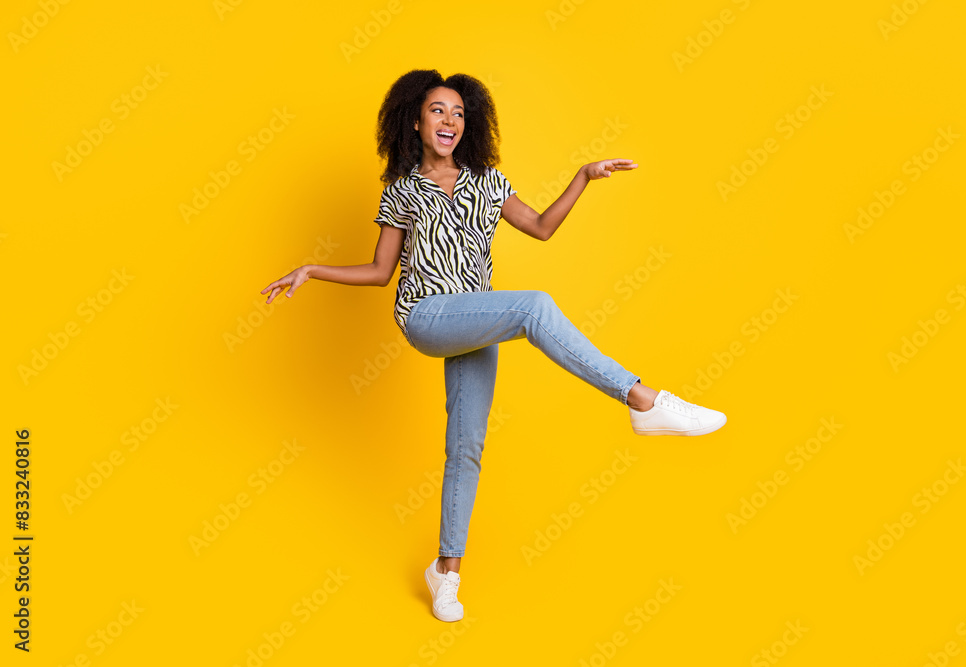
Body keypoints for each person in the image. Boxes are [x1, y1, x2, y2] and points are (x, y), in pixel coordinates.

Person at [260, 69, 727, 624]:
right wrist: (314, 268)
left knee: (466, 449)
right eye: (438, 110)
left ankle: (446, 573)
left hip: (475, 321)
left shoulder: (486, 181)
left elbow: (542, 227)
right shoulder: (403, 190)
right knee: (531, 308)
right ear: (415, 119)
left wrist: (581, 177)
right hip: (427, 315)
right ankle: (643, 400)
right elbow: (382, 270)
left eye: (458, 113)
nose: (449, 121)